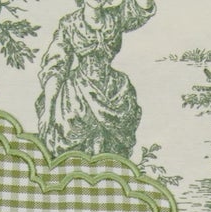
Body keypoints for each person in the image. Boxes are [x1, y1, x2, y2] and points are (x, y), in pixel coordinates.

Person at [37, 0, 155, 159]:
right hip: (77, 91)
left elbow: (142, 7)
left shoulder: (115, 17)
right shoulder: (69, 24)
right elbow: (56, 65)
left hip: (114, 90)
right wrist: (48, 107)